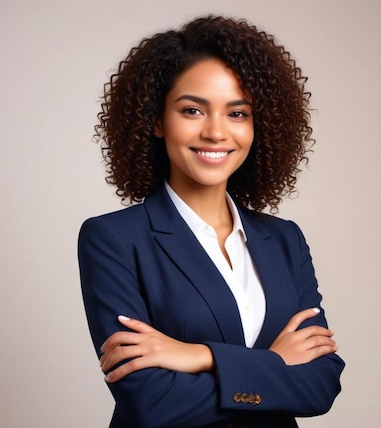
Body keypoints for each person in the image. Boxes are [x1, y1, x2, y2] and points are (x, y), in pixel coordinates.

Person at [78, 15, 345, 428]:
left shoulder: (284, 239)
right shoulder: (114, 238)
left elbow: (321, 384)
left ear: (260, 126)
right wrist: (277, 363)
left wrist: (195, 355)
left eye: (237, 113)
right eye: (192, 110)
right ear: (155, 120)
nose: (217, 132)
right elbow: (152, 403)